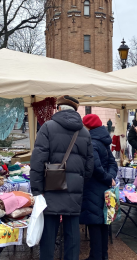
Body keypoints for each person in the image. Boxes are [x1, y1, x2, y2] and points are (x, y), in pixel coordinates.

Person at [30, 95, 94, 260]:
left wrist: (37, 189)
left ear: (58, 108)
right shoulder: (85, 133)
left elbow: (37, 161)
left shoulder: (47, 127)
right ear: (75, 110)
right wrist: (78, 182)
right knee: (72, 233)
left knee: (49, 233)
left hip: (51, 187)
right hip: (74, 190)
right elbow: (89, 167)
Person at [80, 114, 117, 260]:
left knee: (95, 224)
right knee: (103, 223)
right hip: (105, 189)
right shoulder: (103, 142)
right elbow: (113, 164)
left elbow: (95, 167)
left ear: (88, 126)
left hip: (92, 188)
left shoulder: (91, 142)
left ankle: (96, 256)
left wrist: (108, 178)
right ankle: (102, 255)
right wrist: (111, 178)